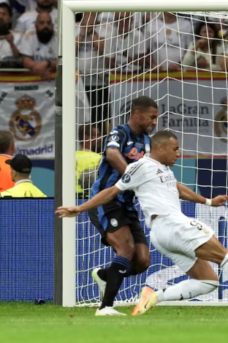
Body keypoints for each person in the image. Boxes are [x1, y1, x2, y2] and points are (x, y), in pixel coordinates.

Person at [56, 130, 228, 316]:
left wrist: (209, 201)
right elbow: (111, 191)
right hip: (172, 225)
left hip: (162, 235)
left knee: (209, 281)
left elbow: (178, 189)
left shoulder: (164, 170)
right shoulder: (141, 166)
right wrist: (79, 208)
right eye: (175, 148)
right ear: (159, 147)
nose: (178, 153)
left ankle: (154, 296)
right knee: (226, 256)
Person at [83, 96, 159, 316]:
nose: (154, 121)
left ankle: (106, 275)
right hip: (106, 200)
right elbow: (112, 154)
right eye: (152, 117)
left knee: (142, 260)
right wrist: (131, 176)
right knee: (125, 249)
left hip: (127, 205)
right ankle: (105, 308)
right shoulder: (120, 132)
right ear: (137, 114)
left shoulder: (146, 141)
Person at [19, 11, 57, 80]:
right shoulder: (29, 35)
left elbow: (64, 63)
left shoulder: (59, 37)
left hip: (54, 78)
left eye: (48, 23)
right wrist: (41, 69)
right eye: (42, 23)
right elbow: (26, 60)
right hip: (33, 78)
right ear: (36, 25)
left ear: (52, 25)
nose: (45, 26)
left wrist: (47, 63)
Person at [76, 125, 102, 199]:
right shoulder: (98, 158)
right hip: (88, 198)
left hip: (69, 196)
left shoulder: (70, 157)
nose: (100, 138)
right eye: (97, 135)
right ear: (86, 137)